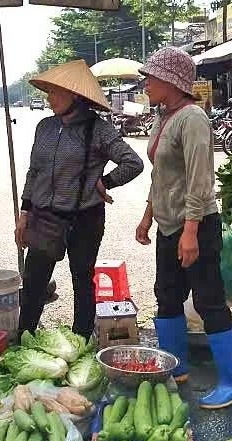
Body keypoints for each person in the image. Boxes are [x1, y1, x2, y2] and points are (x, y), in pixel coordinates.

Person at [135, 46, 232, 410]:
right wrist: (148, 214)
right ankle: (175, 368)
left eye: (150, 77)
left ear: (171, 80)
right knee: (167, 295)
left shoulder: (193, 119)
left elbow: (200, 181)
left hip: (196, 225)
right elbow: (162, 175)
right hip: (170, 223)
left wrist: (190, 232)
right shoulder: (162, 116)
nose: (146, 83)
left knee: (208, 300)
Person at [15, 60, 143, 338]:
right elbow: (34, 171)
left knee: (82, 280)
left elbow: (133, 163)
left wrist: (105, 181)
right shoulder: (45, 127)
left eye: (54, 93)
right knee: (34, 281)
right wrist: (25, 213)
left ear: (75, 95)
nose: (49, 99)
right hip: (45, 217)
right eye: (47, 92)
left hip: (85, 218)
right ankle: (24, 336)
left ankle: (81, 338)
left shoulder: (99, 129)